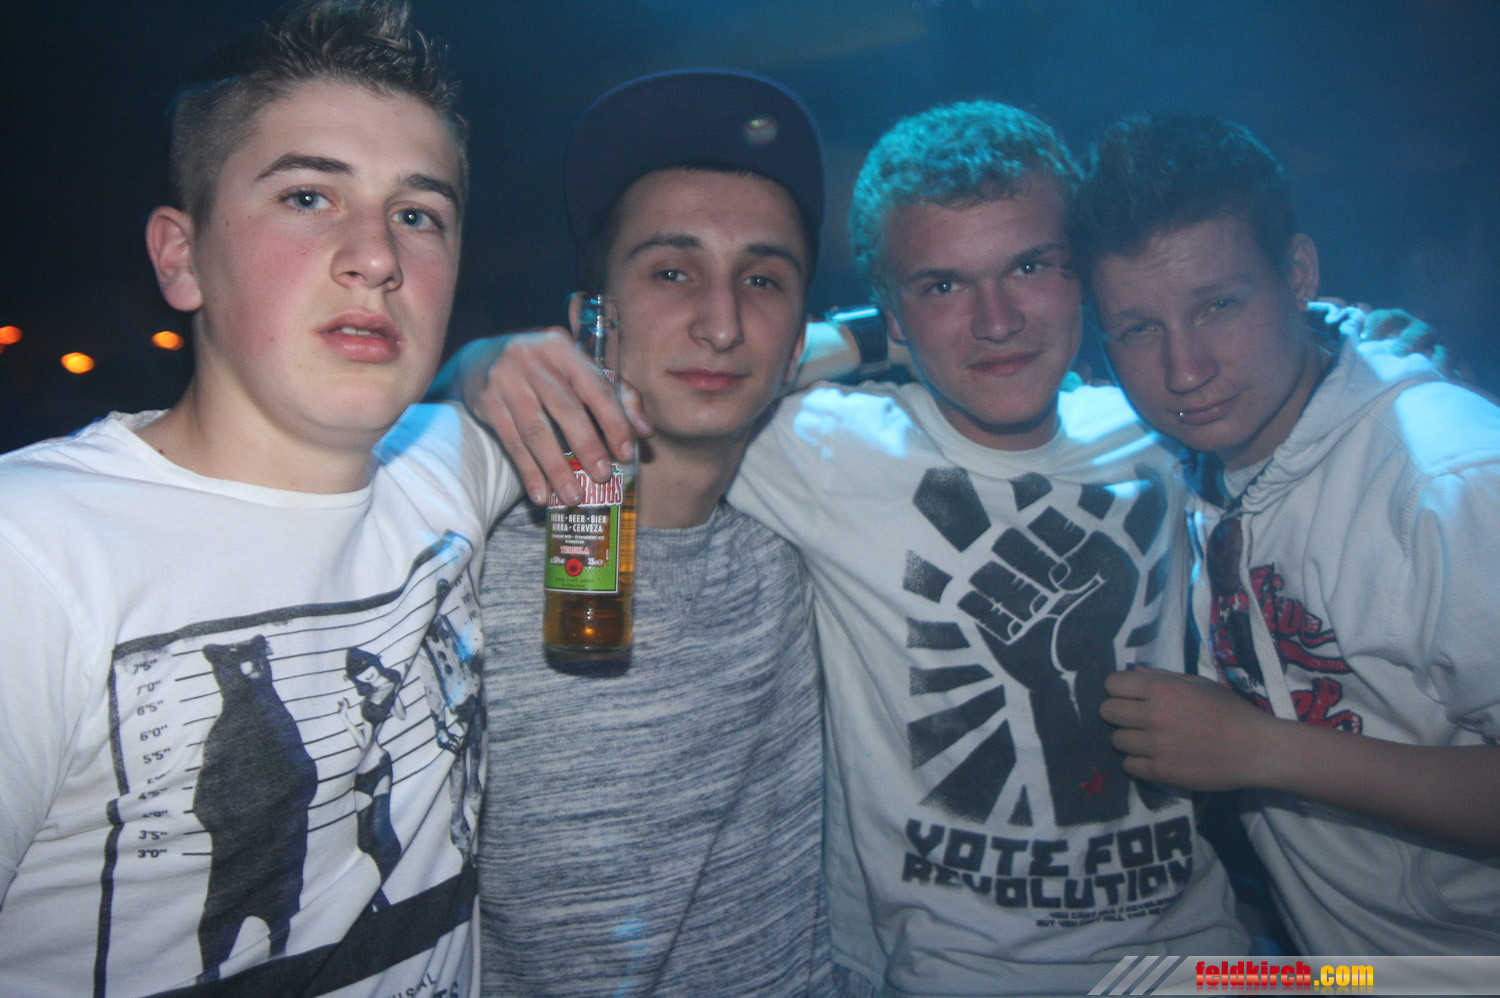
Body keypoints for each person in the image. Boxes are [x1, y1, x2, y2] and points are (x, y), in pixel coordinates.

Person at [464, 101, 1248, 996]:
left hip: (1210, 969)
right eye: (943, 286)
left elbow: (1275, 354)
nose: (996, 320)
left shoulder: (1164, 427)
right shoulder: (817, 449)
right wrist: (480, 366)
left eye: (1031, 266)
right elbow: (718, 371)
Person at [0, 2, 520, 994]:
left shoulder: (452, 465)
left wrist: (498, 357)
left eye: (418, 215)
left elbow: (684, 371)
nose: (378, 255)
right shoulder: (31, 553)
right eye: (308, 196)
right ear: (181, 256)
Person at [451, 70, 835, 997]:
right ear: (590, 321)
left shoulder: (814, 539)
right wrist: (461, 368)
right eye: (671, 271)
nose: (722, 324)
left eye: (762, 279)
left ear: (796, 344)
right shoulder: (458, 560)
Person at [1081, 113, 1500, 955]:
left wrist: (1260, 751)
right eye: (1139, 329)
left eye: (1219, 306)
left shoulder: (1450, 480)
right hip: (1333, 968)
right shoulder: (1182, 446)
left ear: (1299, 274)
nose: (1185, 371)